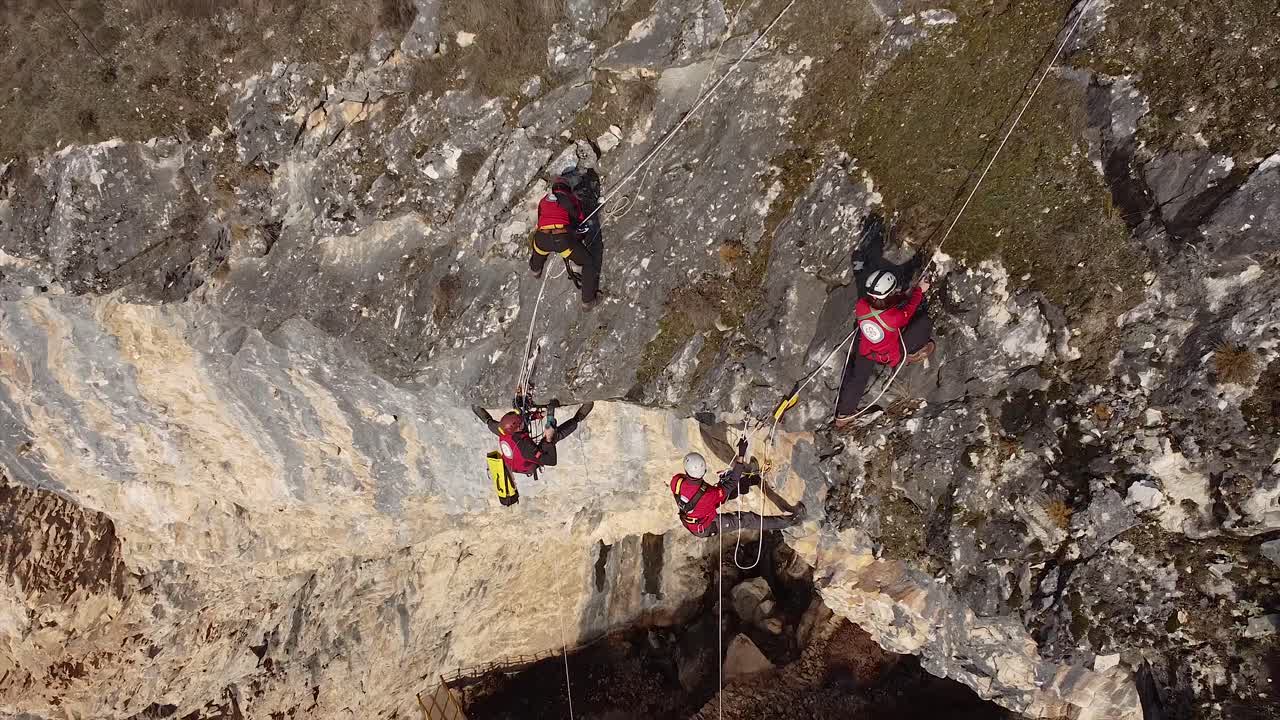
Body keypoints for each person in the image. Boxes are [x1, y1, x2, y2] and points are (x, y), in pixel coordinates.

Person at [833, 215, 937, 429]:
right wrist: (918, 290)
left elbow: (889, 303)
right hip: (891, 353)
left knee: (857, 378)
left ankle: (844, 414)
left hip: (867, 349)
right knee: (924, 321)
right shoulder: (894, 316)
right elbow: (909, 310)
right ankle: (912, 354)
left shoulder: (862, 305)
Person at [669, 438, 805, 537]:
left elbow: (722, 490)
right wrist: (741, 454)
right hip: (706, 526)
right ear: (704, 470)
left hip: (695, 516)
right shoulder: (683, 482)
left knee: (725, 492)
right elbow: (732, 482)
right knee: (747, 519)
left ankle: (753, 479)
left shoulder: (677, 482)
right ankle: (792, 521)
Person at [529, 168, 604, 309]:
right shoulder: (571, 200)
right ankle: (587, 301)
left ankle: (535, 270)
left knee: (538, 250)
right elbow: (579, 220)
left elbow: (540, 220)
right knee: (588, 263)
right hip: (562, 241)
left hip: (542, 238)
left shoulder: (543, 201)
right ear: (568, 189)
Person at [472, 396, 594, 475]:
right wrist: (549, 438)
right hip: (528, 461)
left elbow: (491, 423)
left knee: (491, 423)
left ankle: (477, 409)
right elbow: (551, 461)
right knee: (550, 437)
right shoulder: (527, 449)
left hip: (515, 457)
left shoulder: (503, 430)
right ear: (517, 428)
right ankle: (578, 418)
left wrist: (538, 415)